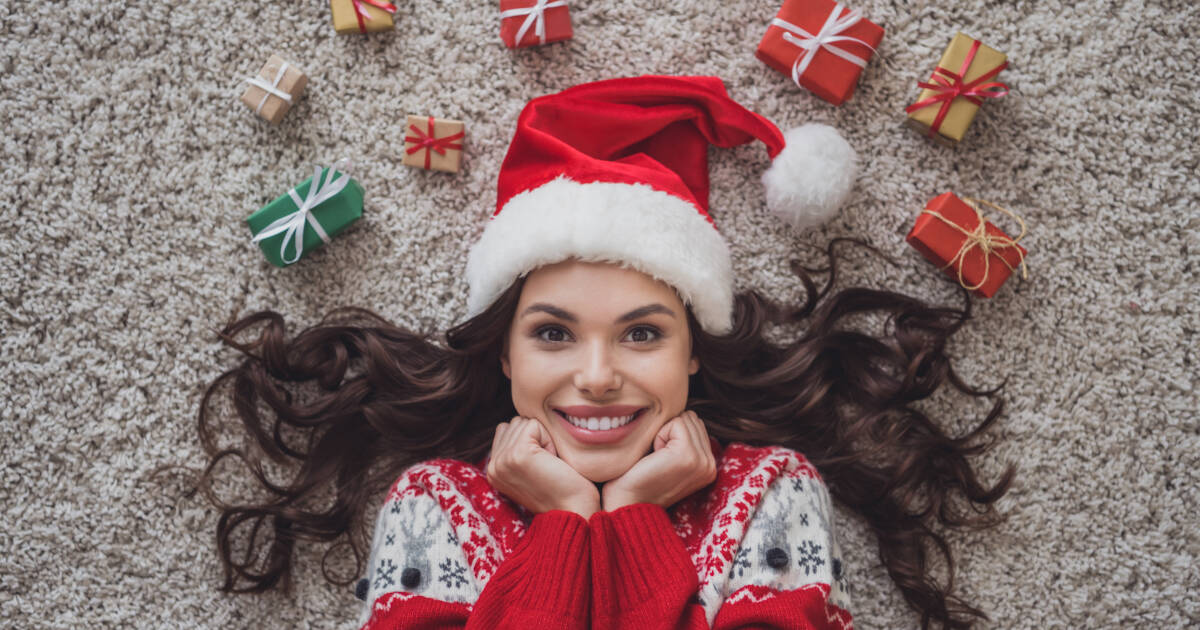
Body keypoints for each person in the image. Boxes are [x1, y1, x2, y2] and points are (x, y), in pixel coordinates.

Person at [197, 76, 1014, 630]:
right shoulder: (435, 504)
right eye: (552, 333)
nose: (595, 376)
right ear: (506, 357)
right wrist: (564, 525)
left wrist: (626, 520)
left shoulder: (771, 489)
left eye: (644, 333)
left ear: (693, 353)